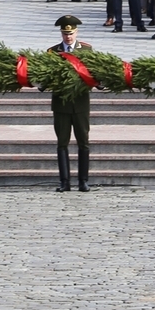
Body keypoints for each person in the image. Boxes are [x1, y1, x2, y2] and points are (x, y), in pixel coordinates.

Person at [48, 15, 93, 192]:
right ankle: (64, 181)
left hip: (81, 103)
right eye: (65, 33)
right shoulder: (52, 52)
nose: (68, 36)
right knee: (62, 143)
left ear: (77, 32)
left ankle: (83, 180)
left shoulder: (87, 50)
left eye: (71, 33)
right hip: (61, 104)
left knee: (83, 142)